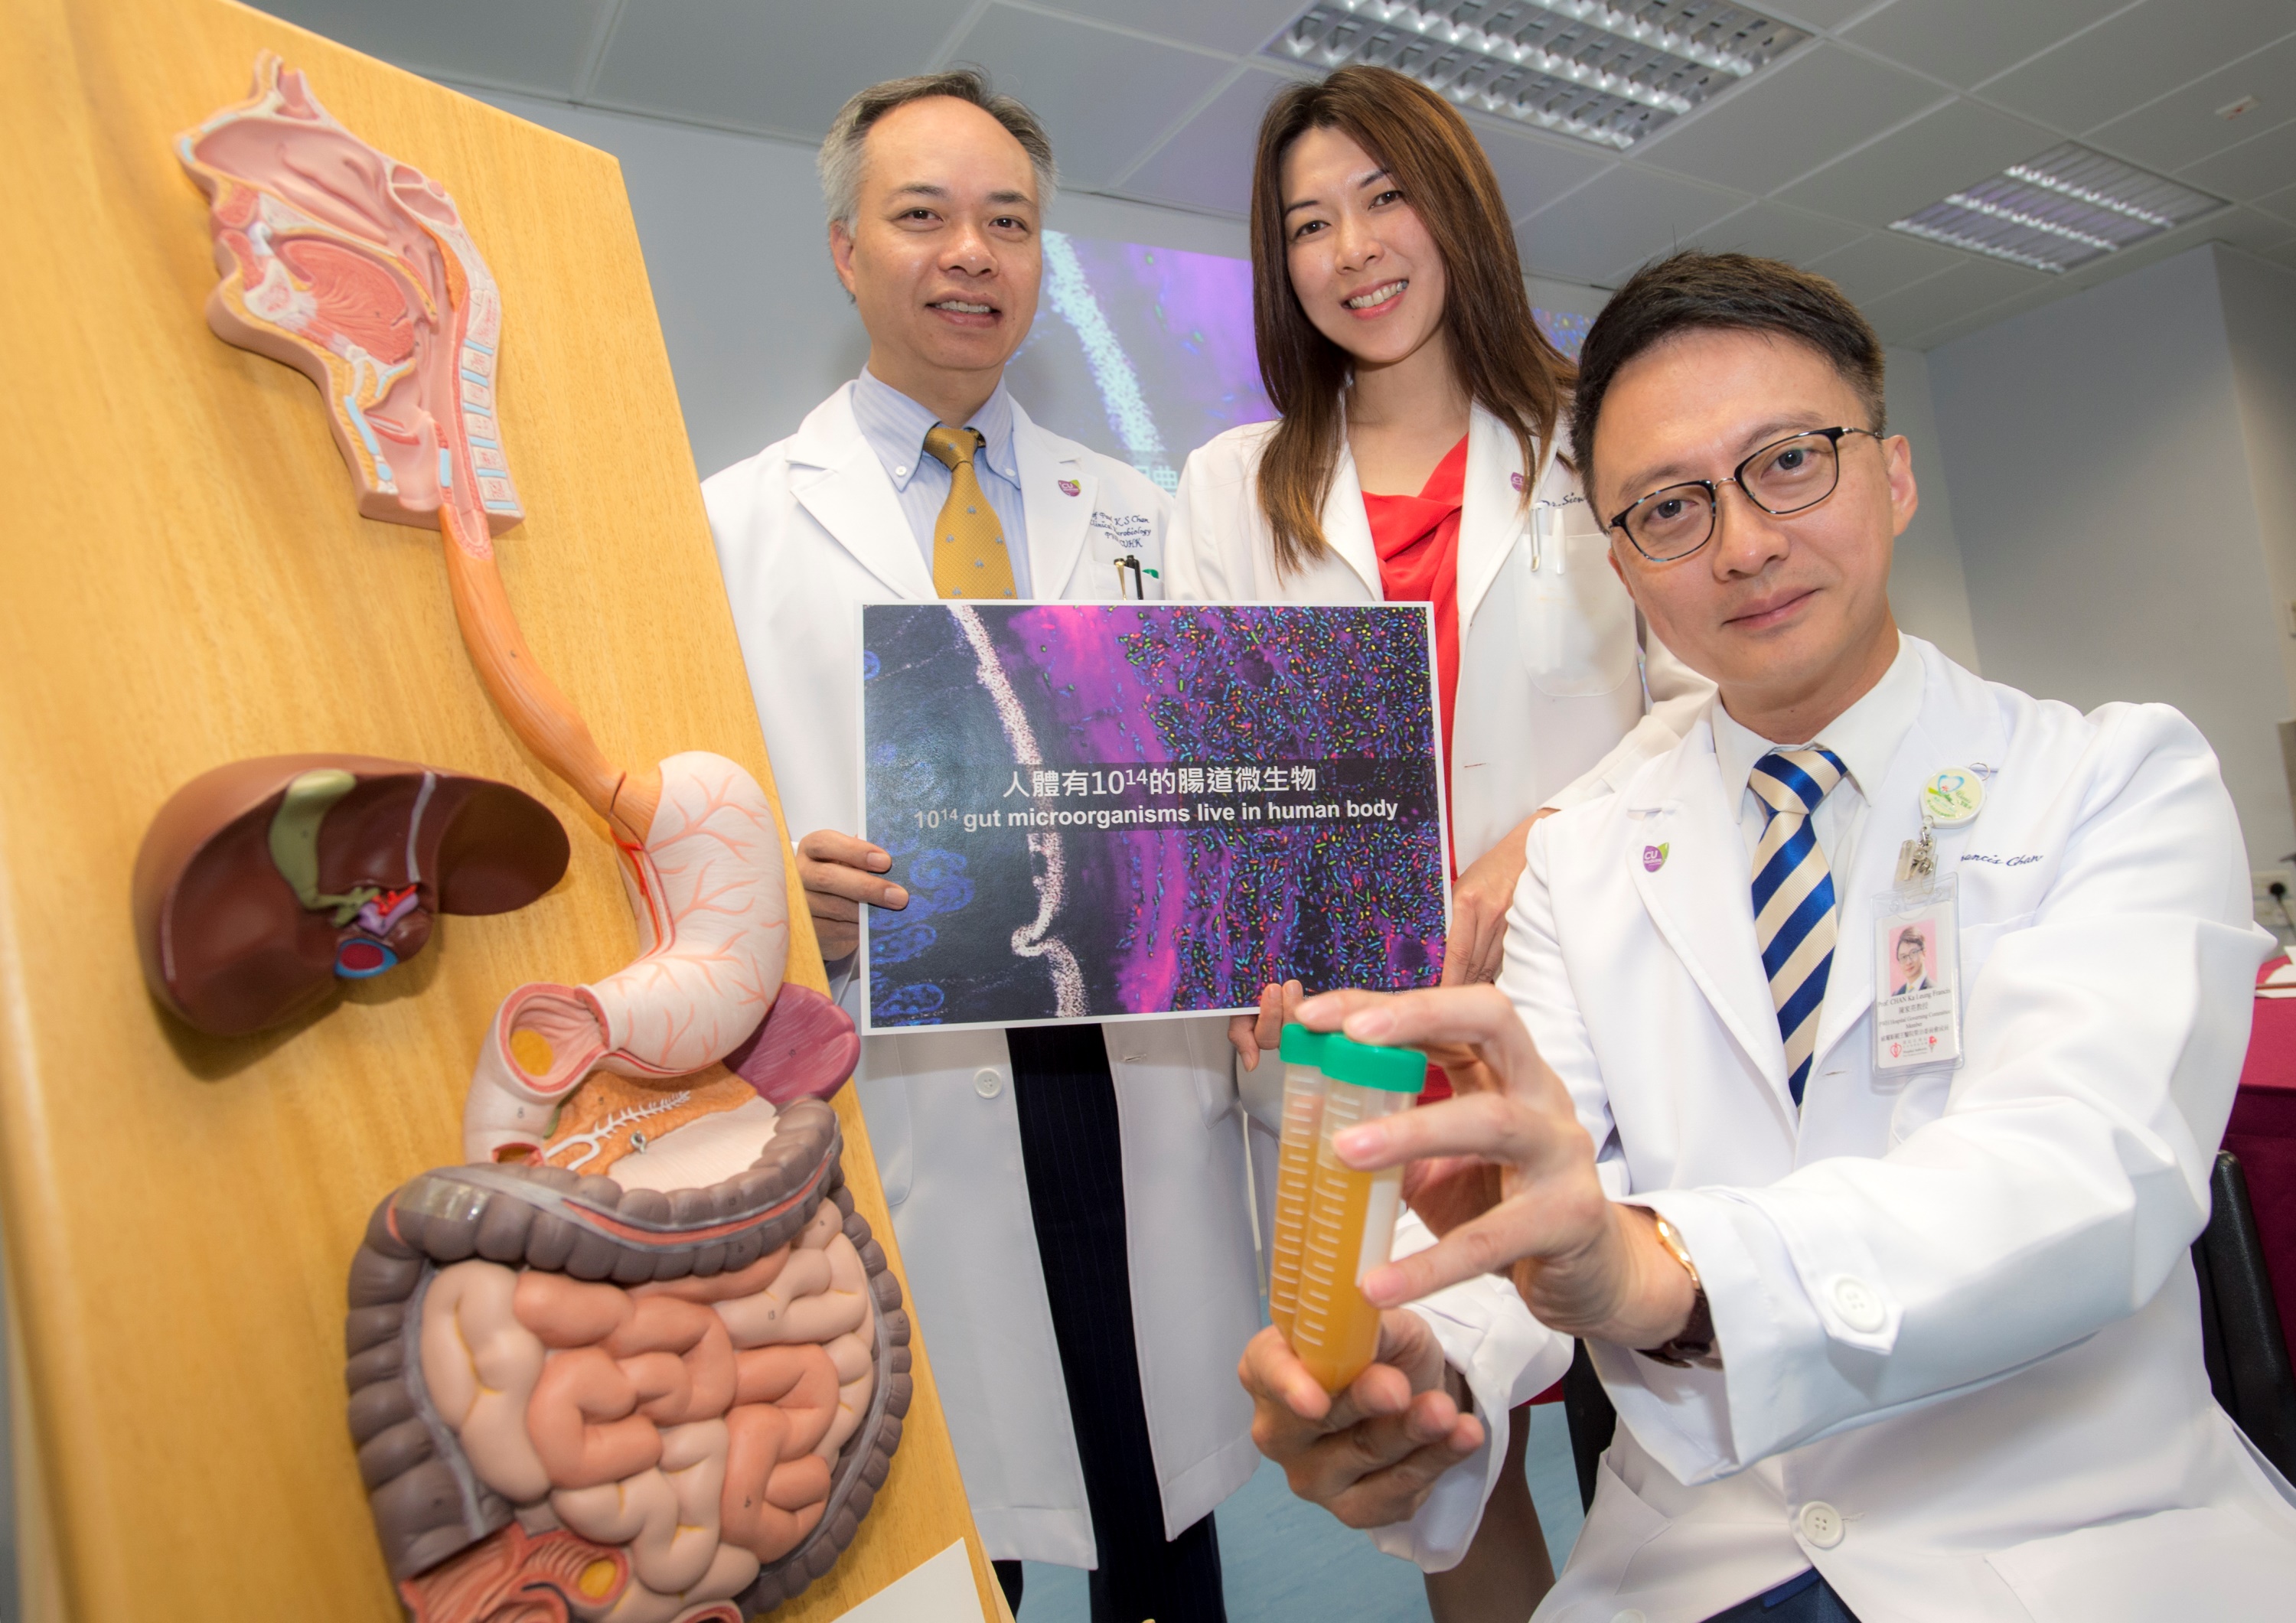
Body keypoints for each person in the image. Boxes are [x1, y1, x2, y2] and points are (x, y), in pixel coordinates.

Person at [1241, 251, 2296, 1621]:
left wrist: (1666, 1271)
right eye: (1670, 508)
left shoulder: (2117, 781)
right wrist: (1422, 1369)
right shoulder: (1581, 859)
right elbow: (1545, 1219)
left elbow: (2086, 1175)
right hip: (1701, 1557)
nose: (1741, 542)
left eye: (1790, 461)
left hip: (2074, 1541)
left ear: (1896, 475)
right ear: (1621, 562)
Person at [704, 71, 1257, 1622]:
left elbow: (1217, 786)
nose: (971, 253)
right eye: (924, 214)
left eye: (1008, 221)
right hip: (903, 1079)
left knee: (1160, 1509)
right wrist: (773, 895)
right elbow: (684, 846)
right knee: (946, 1517)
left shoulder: (1143, 516)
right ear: (844, 249)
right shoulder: (730, 529)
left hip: (1127, 1069)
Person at [1162, 64, 1710, 1620]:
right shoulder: (1229, 486)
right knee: (1439, 1435)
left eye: (1383, 198)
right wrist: (1253, 944)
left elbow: (1703, 697)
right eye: (1308, 224)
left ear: (1453, 203)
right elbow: (1223, 765)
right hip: (1371, 1040)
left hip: (1591, 996)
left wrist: (1535, 842)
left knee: (1661, 1385)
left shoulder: (1591, 432)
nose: (1353, 249)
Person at [1890, 926, 1932, 995]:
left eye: (1913, 953)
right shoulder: (1896, 995)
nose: (1908, 962)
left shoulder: (1934, 989)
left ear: (1923, 954)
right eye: (1903, 957)